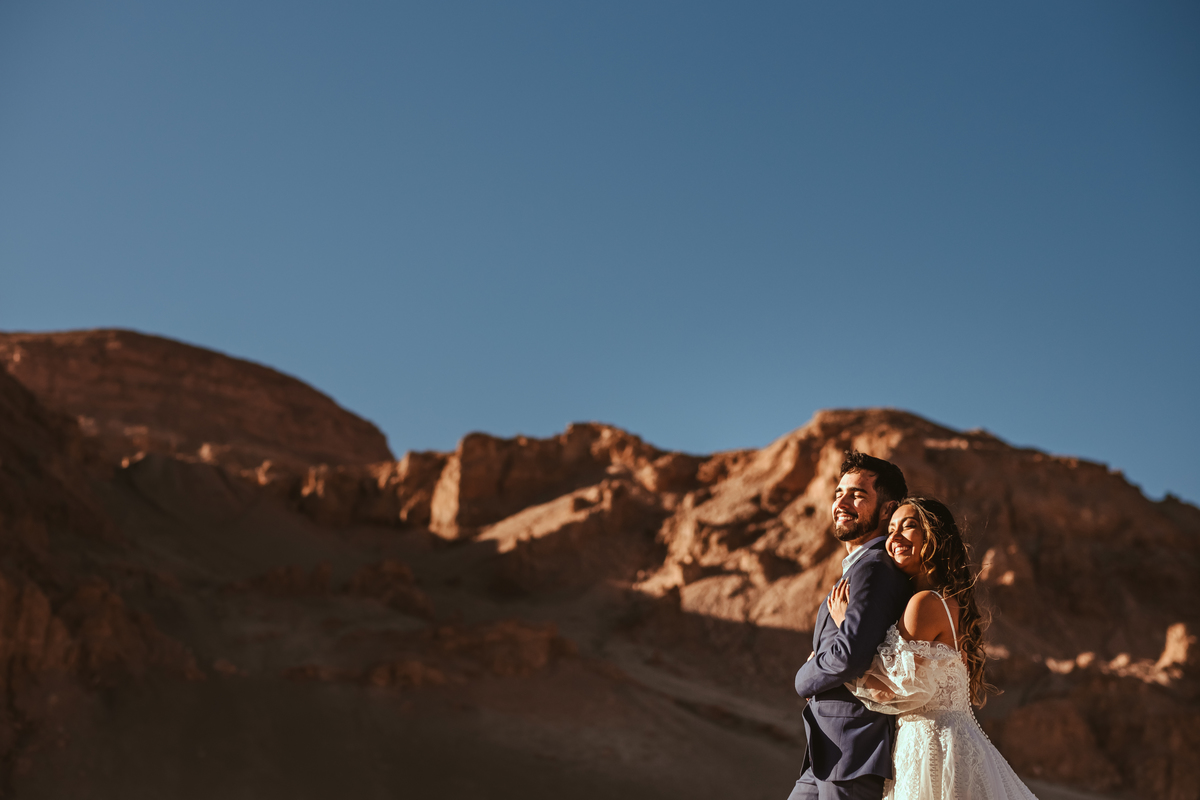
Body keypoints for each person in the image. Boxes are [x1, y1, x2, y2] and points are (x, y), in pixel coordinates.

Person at [828, 497, 1039, 800]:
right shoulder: (947, 602)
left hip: (933, 751)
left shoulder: (924, 603)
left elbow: (888, 690)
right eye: (891, 529)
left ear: (934, 537)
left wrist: (845, 631)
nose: (895, 537)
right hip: (953, 744)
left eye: (908, 526)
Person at [789, 452, 913, 800]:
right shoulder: (861, 567)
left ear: (888, 510)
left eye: (857, 495)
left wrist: (805, 676)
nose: (841, 503)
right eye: (838, 493)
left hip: (853, 753)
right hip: (828, 753)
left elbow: (849, 657)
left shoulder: (873, 568)